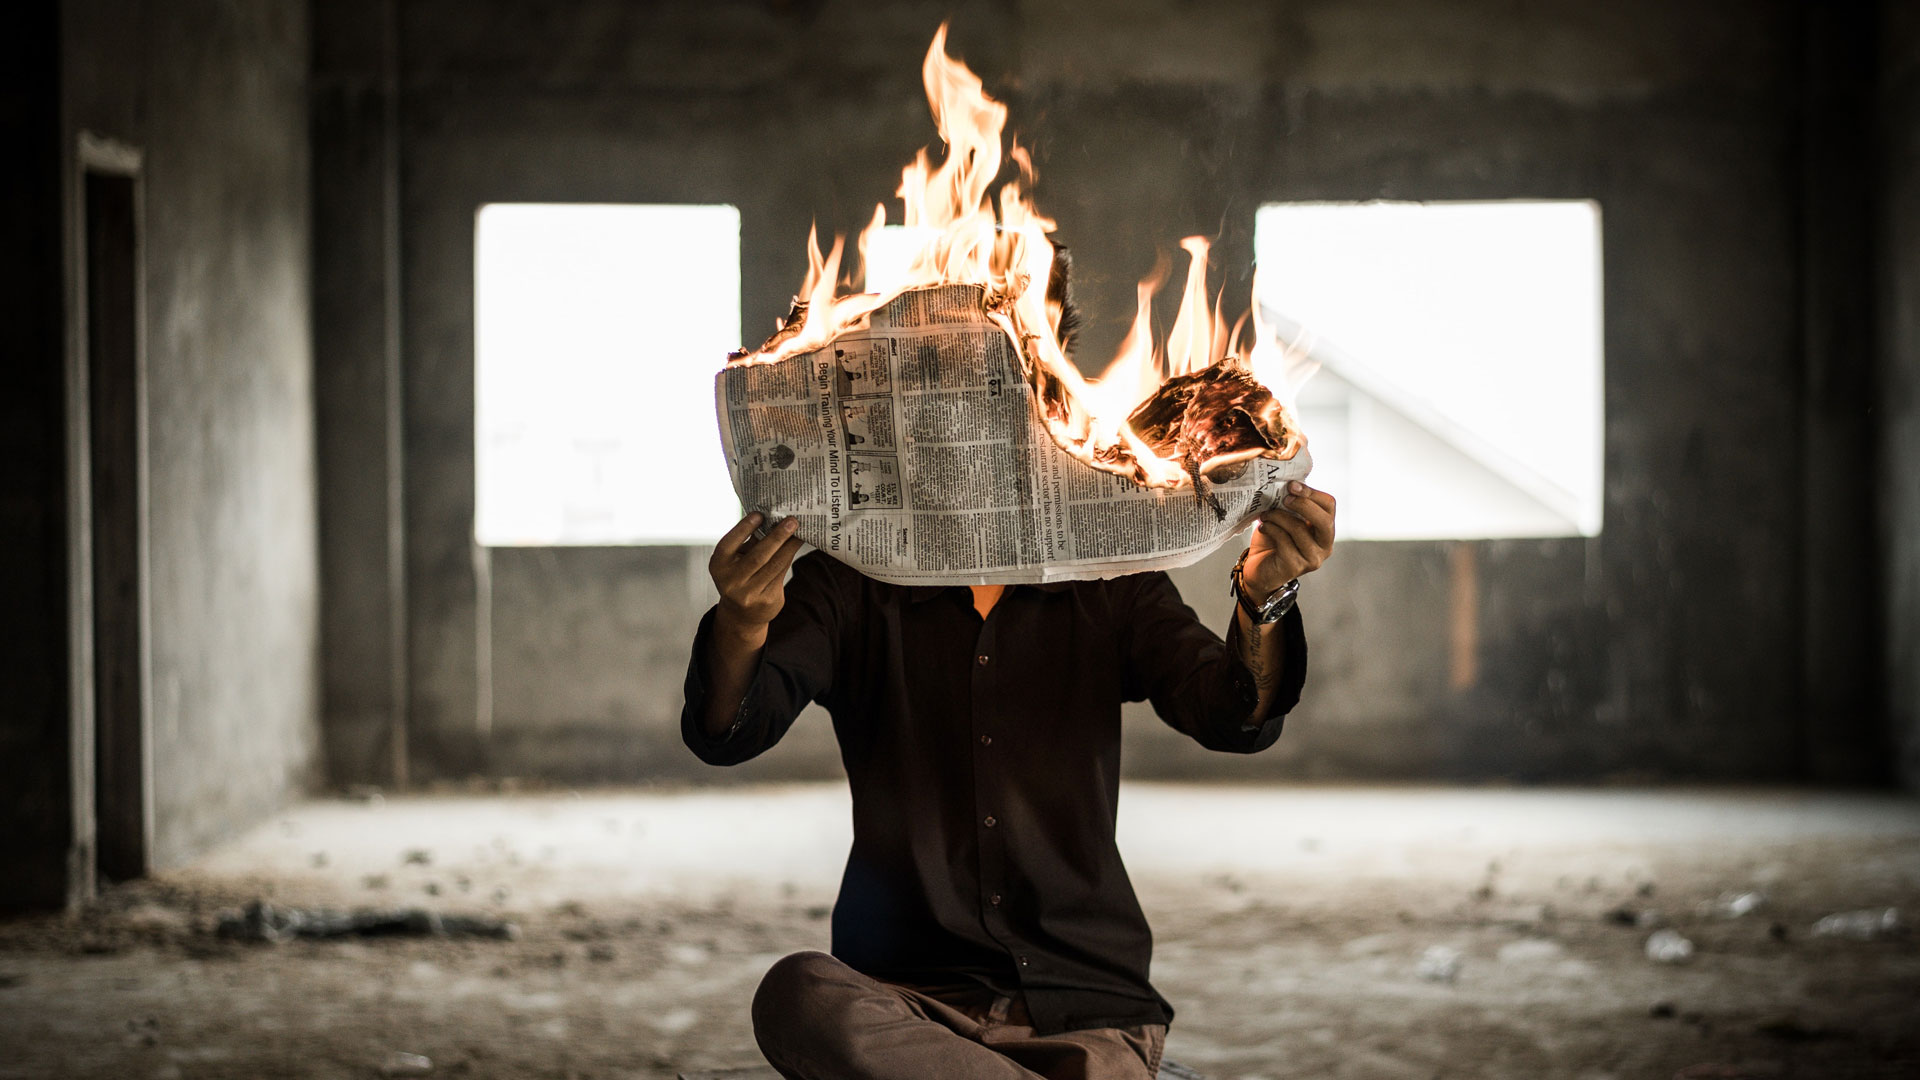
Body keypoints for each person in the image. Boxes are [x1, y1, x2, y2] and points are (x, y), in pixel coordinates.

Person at [681, 255, 1337, 1080]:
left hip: (1086, 1005)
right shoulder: (850, 581)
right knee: (799, 994)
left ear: (1050, 394)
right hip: (911, 1001)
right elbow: (727, 732)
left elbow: (1233, 716)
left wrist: (1264, 596)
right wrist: (744, 618)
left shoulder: (1110, 576)